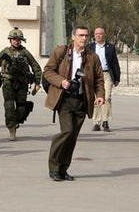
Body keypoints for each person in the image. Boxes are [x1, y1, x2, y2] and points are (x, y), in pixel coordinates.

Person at [43, 26, 105, 181]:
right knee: (67, 131)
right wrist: (61, 81)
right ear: (73, 37)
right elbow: (48, 71)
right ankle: (53, 167)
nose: (83, 38)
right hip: (64, 99)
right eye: (80, 35)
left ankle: (63, 170)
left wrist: (100, 95)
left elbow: (99, 79)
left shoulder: (92, 57)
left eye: (86, 35)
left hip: (82, 101)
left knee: (73, 137)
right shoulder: (61, 52)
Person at [0, 28, 41, 140]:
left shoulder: (25, 53)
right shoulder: (5, 52)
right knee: (9, 106)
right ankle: (12, 129)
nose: (16, 41)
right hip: (8, 82)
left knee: (21, 108)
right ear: (10, 40)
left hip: (22, 83)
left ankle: (16, 121)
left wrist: (37, 83)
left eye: (18, 39)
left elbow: (36, 66)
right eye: (14, 39)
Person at [89, 26, 121, 132]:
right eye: (96, 34)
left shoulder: (110, 47)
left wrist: (117, 78)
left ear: (104, 35)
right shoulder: (90, 47)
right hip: (94, 75)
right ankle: (96, 122)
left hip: (106, 74)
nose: (98, 35)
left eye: (100, 34)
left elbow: (115, 63)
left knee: (106, 98)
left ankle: (105, 121)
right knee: (96, 99)